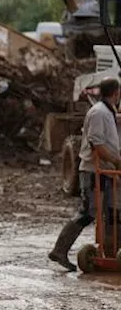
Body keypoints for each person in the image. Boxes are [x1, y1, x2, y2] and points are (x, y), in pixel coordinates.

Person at [49, 76, 121, 270]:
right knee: (88, 212)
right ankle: (59, 250)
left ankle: (111, 252)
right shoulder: (98, 113)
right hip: (93, 171)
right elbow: (96, 143)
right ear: (116, 93)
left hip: (106, 171)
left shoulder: (108, 111)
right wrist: (116, 161)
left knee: (112, 212)